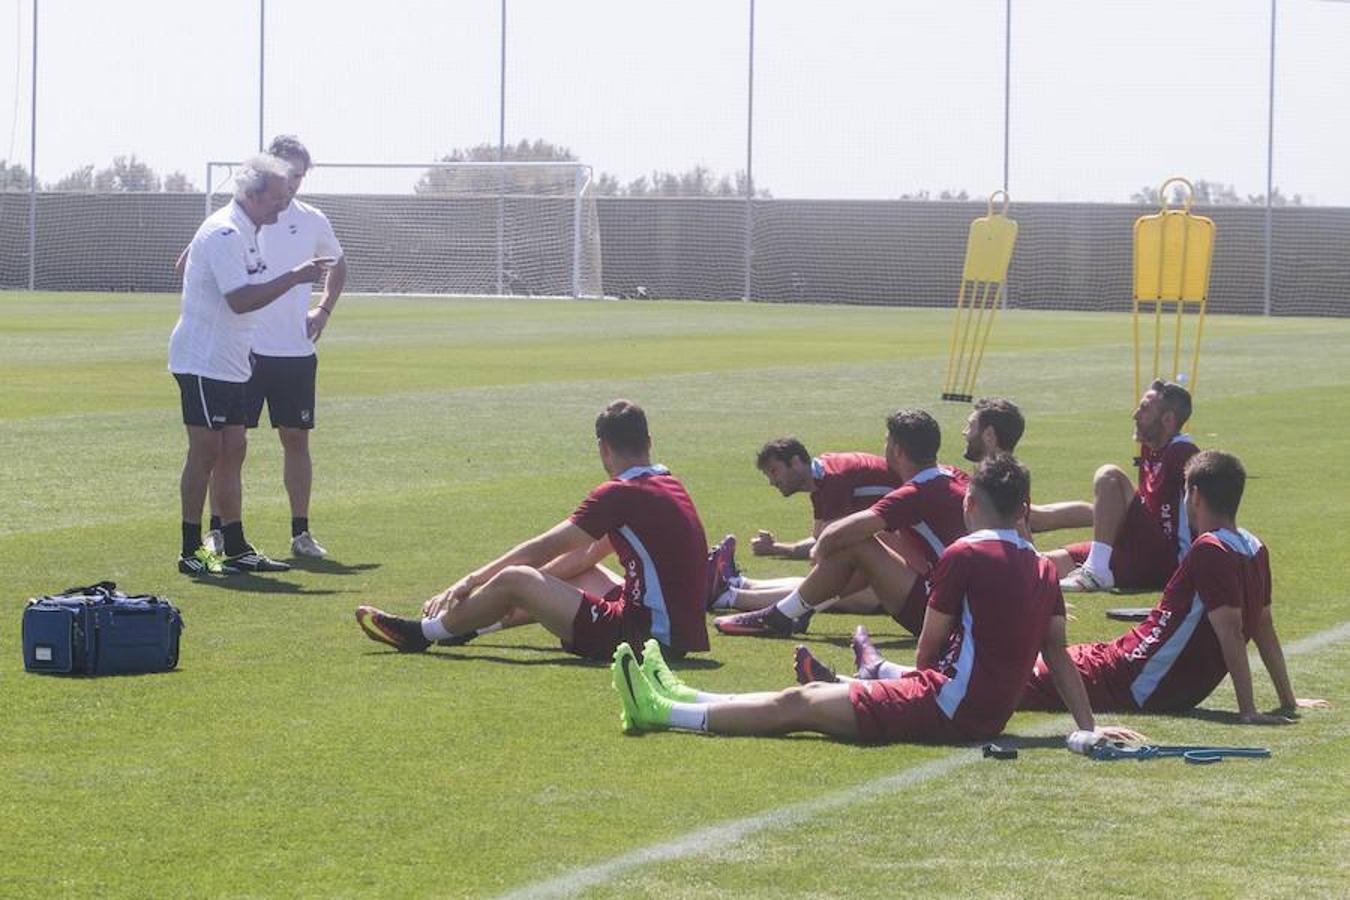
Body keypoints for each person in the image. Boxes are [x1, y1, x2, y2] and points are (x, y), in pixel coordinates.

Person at [612, 455, 1140, 750]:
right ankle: (685, 694)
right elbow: (1059, 659)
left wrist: (911, 691)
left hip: (948, 711)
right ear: (1024, 508)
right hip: (975, 713)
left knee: (803, 706)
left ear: (971, 504)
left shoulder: (964, 554)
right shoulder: (1044, 568)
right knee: (813, 695)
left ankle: (664, 712)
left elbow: (931, 649)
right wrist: (1087, 728)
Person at [355, 400, 711, 660]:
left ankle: (422, 634)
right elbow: (586, 555)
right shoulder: (667, 481)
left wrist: (471, 581)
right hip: (675, 630)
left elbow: (545, 547)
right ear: (648, 441)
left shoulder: (618, 493)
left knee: (516, 579)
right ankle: (474, 624)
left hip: (646, 639)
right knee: (574, 570)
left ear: (603, 448)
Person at [168, 154, 336, 574]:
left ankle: (236, 547)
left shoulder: (249, 230)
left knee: (234, 449)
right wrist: (295, 277)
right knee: (206, 451)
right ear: (254, 195)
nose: (285, 203)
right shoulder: (225, 232)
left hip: (233, 359)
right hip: (203, 359)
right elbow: (240, 299)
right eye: (278, 197)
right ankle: (194, 552)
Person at [713, 408, 967, 637]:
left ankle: (768, 612)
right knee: (861, 545)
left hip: (942, 613)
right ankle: (783, 608)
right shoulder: (955, 475)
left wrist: (820, 549)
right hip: (961, 602)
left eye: (886, 443)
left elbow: (835, 535)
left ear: (897, 450)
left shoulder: (913, 493)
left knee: (854, 545)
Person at [705, 438, 903, 616]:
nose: (772, 482)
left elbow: (826, 542)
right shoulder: (825, 476)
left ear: (796, 462)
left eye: (774, 471)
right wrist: (777, 548)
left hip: (902, 577)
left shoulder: (834, 479)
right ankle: (738, 584)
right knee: (821, 583)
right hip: (897, 565)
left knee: (824, 587)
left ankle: (728, 596)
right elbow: (822, 538)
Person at [1047, 380, 1199, 592]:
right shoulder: (1151, 450)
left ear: (1168, 419)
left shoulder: (1182, 453)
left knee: (1109, 476)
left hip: (1166, 560)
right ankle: (1095, 567)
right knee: (1045, 565)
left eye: (1145, 410)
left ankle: (1097, 572)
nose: (1135, 415)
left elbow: (1205, 509)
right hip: (1140, 550)